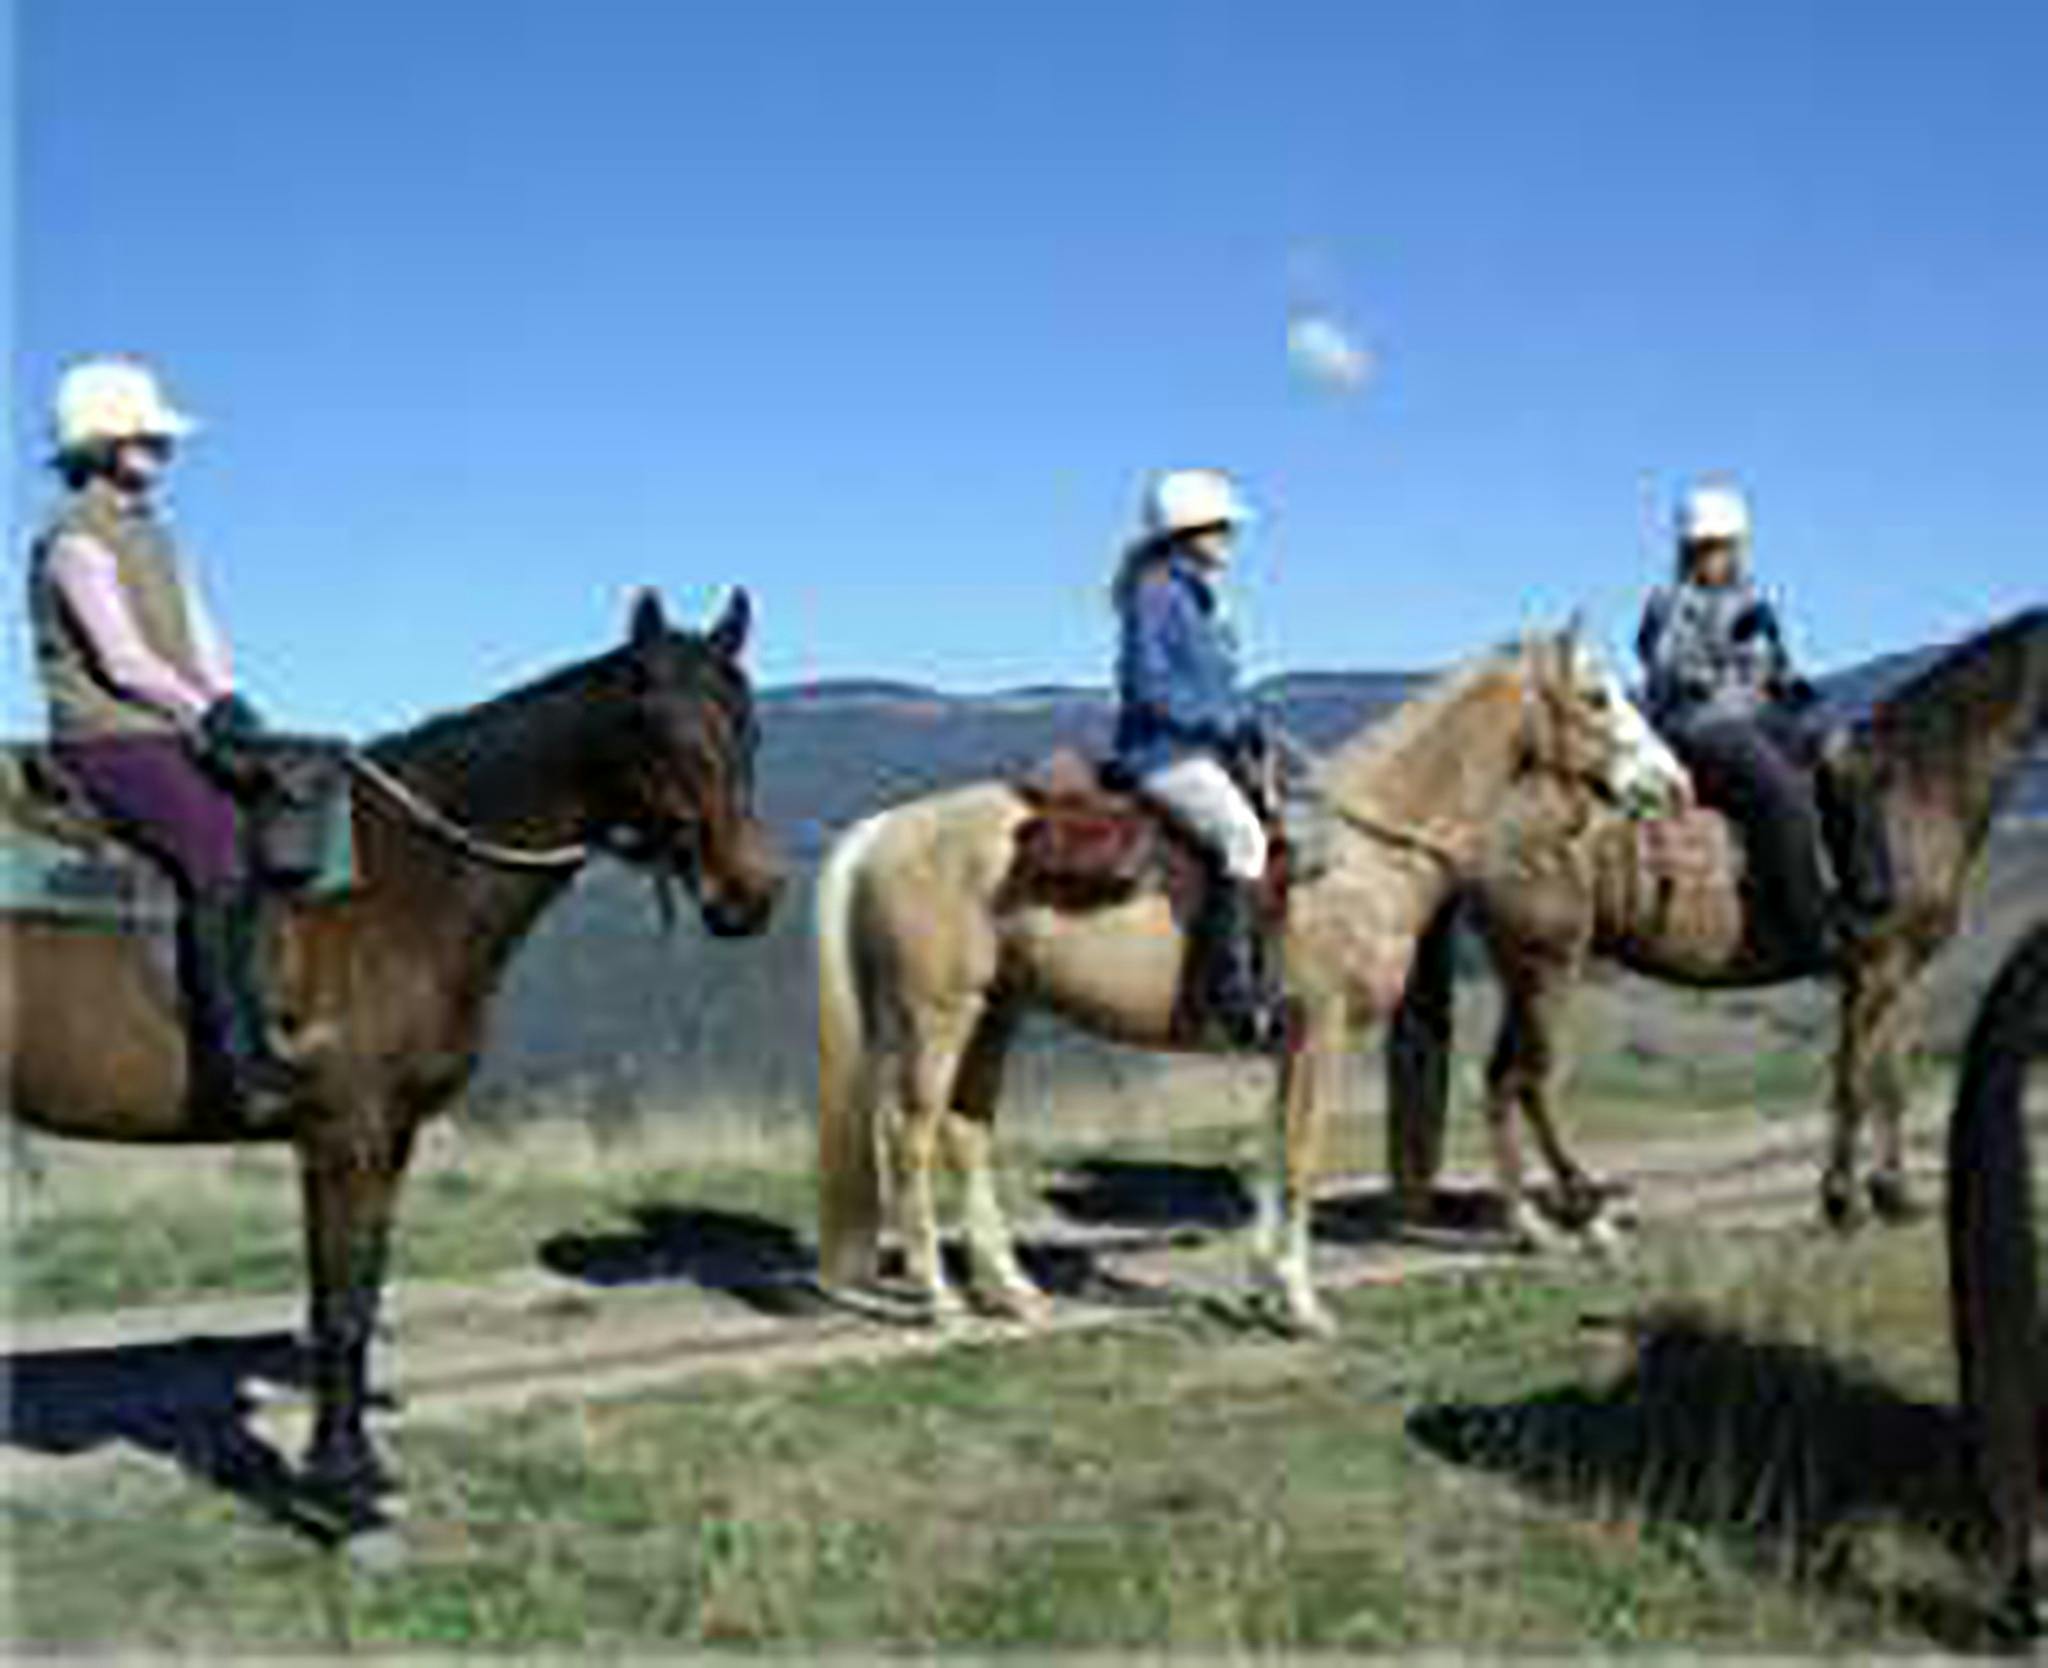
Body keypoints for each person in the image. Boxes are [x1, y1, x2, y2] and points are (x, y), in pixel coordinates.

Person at [26, 356, 300, 1122]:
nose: (162, 449)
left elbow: (200, 635)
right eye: (146, 437)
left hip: (170, 724)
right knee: (215, 841)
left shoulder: (155, 536)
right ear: (101, 442)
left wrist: (231, 697)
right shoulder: (73, 539)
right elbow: (122, 661)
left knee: (281, 812)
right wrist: (204, 714)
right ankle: (232, 1060)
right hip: (107, 738)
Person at [1636, 480, 1889, 963]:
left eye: (1725, 547)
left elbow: (1770, 669)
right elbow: (1667, 667)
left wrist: (1788, 683)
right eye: (1707, 548)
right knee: (1782, 793)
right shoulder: (1668, 602)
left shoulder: (1751, 598)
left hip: (1755, 717)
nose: (1718, 557)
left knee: (1843, 754)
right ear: (1688, 551)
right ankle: (1808, 928)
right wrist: (1724, 650)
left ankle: (1868, 894)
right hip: (1697, 727)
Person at [1111, 467, 1281, 1047]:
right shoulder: (1157, 594)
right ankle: (1233, 996)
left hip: (1199, 751)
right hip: (1161, 754)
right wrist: (1223, 721)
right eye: (1221, 527)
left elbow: (1213, 686)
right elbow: (1147, 685)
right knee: (1244, 838)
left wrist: (1245, 724)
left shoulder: (1195, 598)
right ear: (1188, 532)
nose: (1230, 539)